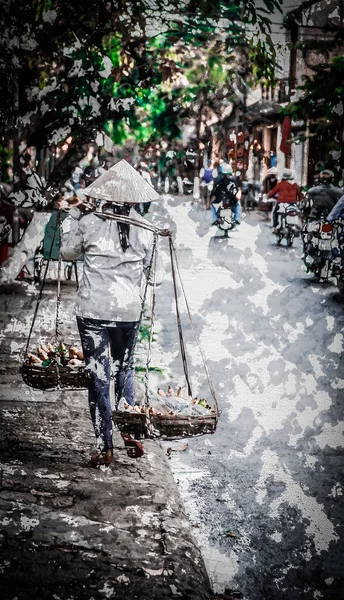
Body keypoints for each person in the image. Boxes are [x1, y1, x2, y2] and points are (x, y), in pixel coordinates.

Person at [61, 159, 165, 467]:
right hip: (128, 313)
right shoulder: (146, 230)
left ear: (105, 194)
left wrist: (73, 217)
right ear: (134, 199)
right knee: (124, 370)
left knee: (98, 376)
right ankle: (131, 431)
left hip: (93, 312)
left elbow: (67, 252)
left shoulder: (90, 222)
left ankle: (103, 446)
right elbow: (156, 278)